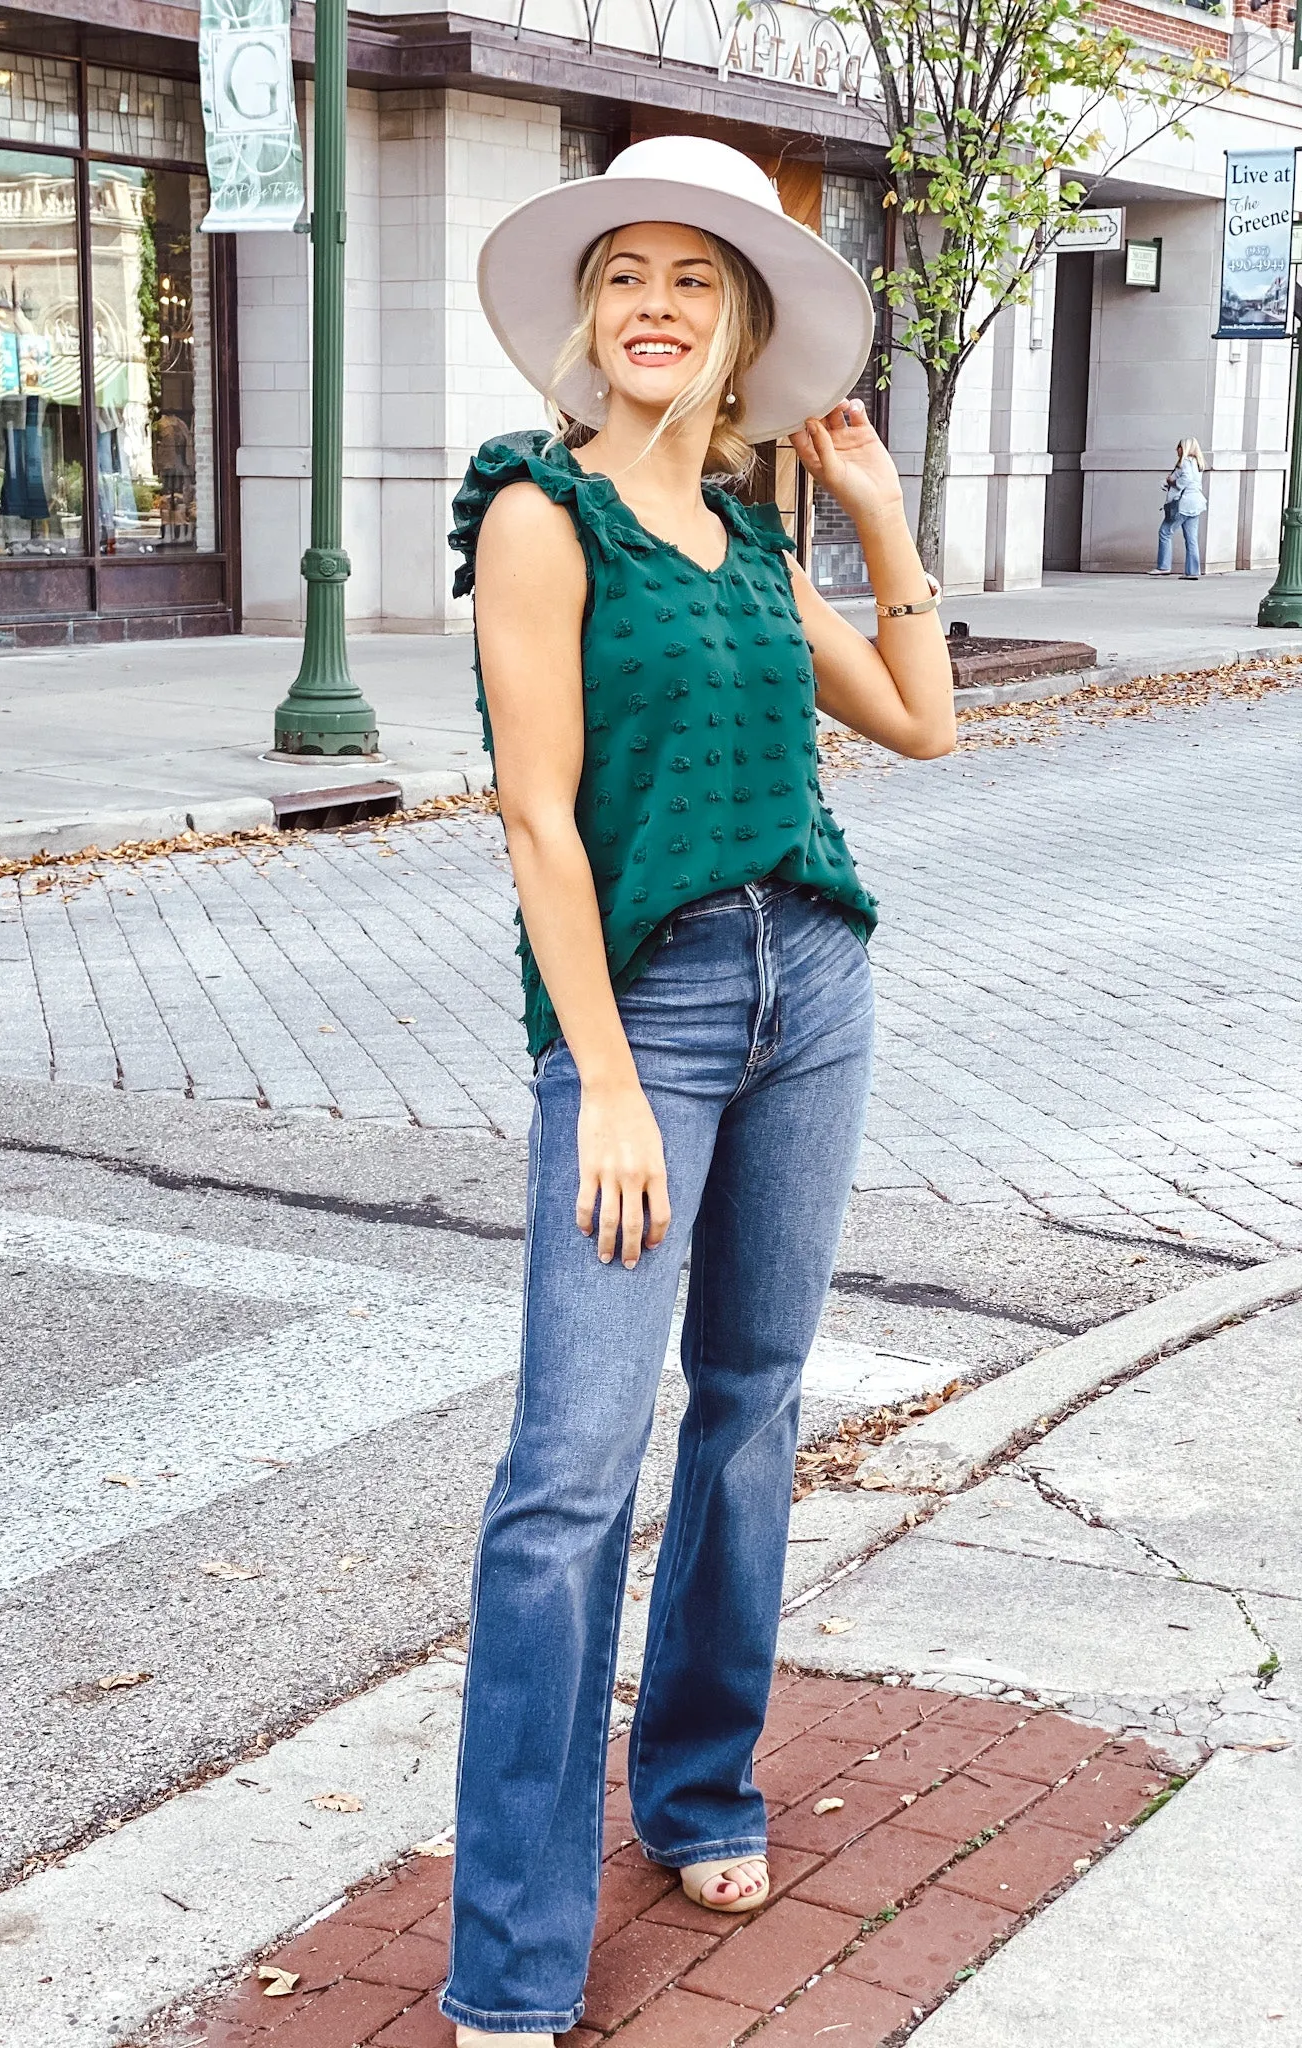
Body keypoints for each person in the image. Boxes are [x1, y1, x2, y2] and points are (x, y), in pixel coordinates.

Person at [441, 136, 955, 2045]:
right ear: (589, 320)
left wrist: (882, 529)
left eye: (693, 280)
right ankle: (512, 1946)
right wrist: (605, 1082)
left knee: (749, 1404)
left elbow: (917, 719)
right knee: (567, 1476)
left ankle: (699, 1783)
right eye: (623, 275)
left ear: (740, 330)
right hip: (641, 1012)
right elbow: (537, 818)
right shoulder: (536, 514)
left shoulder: (750, 541)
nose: (652, 304)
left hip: (809, 980)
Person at [1153, 439, 1206, 579]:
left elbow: (1185, 480)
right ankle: (1192, 571)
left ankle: (1163, 566)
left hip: (1183, 503)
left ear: (1184, 448)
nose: (1177, 450)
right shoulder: (1198, 463)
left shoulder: (1185, 462)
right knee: (1191, 539)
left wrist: (1172, 482)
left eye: (1179, 447)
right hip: (1196, 503)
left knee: (1165, 532)